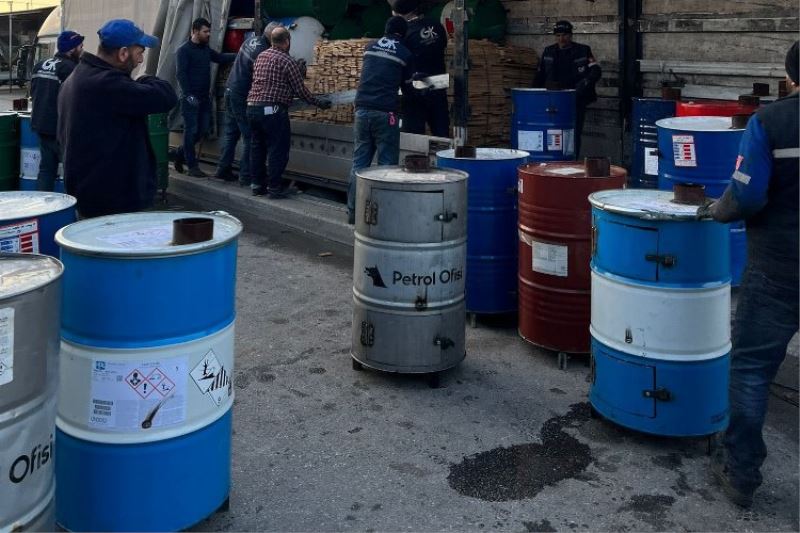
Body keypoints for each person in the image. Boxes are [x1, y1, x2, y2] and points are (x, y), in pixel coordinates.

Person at [698, 41, 799, 509]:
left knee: (753, 370)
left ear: (790, 77)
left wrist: (715, 212)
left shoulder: (771, 122)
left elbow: (747, 196)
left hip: (780, 266)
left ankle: (740, 472)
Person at [58, 19, 177, 218]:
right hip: (112, 203)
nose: (140, 61)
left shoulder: (78, 77)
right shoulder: (107, 84)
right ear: (123, 53)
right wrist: (145, 78)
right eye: (139, 53)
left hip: (92, 196)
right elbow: (166, 97)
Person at [246, 26, 331, 199]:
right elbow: (300, 90)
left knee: (257, 148)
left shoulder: (261, 56)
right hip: (272, 111)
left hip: (252, 108)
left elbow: (270, 80)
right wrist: (319, 103)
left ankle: (257, 185)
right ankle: (274, 188)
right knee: (278, 149)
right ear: (287, 41)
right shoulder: (287, 60)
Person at [346, 16, 415, 224]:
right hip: (385, 114)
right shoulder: (404, 53)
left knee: (359, 163)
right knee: (386, 166)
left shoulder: (369, 47)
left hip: (362, 110)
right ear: (403, 33)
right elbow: (409, 88)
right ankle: (383, 217)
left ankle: (353, 213)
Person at [214, 21, 282, 186]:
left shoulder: (251, 40)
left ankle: (222, 170)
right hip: (241, 95)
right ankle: (246, 175)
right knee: (250, 136)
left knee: (231, 134)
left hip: (230, 89)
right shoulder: (264, 51)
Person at [174, 17, 235, 178]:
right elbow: (181, 74)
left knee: (202, 130)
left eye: (209, 31)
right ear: (195, 31)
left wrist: (240, 54)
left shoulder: (205, 49)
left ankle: (180, 153)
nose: (208, 34)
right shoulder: (183, 50)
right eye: (205, 31)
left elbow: (220, 58)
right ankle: (192, 167)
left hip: (204, 98)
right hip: (190, 99)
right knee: (191, 131)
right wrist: (188, 95)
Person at [533, 20, 601, 158]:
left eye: (564, 35)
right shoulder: (548, 51)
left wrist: (585, 82)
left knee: (573, 132)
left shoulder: (583, 50)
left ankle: (572, 160)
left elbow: (595, 71)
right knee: (552, 133)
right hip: (553, 100)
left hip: (576, 100)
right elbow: (540, 76)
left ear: (571, 35)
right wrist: (535, 96)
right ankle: (554, 161)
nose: (561, 39)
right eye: (558, 36)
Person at [29, 30, 84, 191]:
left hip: (41, 126)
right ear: (72, 49)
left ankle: (43, 203)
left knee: (46, 170)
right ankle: (72, 204)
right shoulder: (71, 69)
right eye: (80, 46)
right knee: (72, 171)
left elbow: (33, 92)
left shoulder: (40, 65)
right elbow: (75, 100)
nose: (82, 50)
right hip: (61, 129)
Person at [391, 0, 449, 138]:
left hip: (415, 90)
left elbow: (399, 61)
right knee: (441, 134)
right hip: (438, 86)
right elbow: (443, 46)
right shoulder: (436, 25)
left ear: (399, 14)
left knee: (413, 137)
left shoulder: (405, 32)